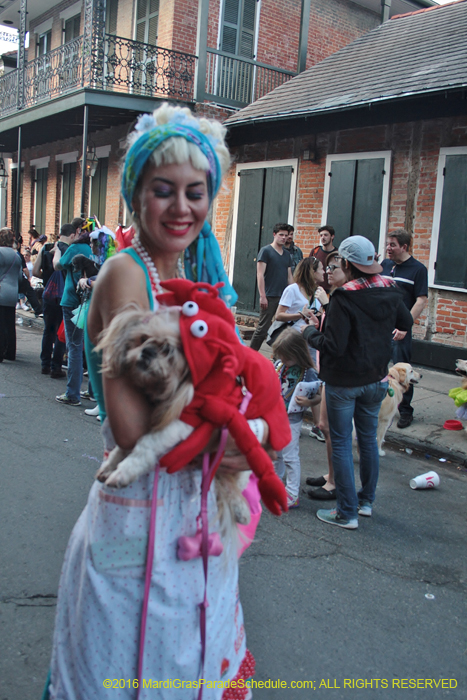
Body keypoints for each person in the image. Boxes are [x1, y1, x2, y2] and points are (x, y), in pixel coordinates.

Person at [46, 103, 288, 700]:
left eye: (195, 192)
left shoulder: (202, 279)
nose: (182, 207)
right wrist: (230, 429)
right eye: (163, 190)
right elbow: (131, 431)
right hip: (136, 520)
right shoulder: (126, 275)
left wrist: (243, 432)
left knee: (198, 662)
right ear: (136, 194)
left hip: (197, 518)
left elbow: (230, 388)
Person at [303, 235, 413, 529]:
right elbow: (405, 324)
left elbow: (333, 345)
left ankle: (346, 512)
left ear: (348, 264)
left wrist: (310, 332)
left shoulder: (344, 296)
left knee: (340, 443)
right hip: (377, 378)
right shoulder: (391, 287)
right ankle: (365, 503)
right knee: (367, 442)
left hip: (345, 381)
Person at [305, 250, 346, 501]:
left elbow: (336, 340)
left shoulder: (343, 297)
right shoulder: (337, 297)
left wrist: (312, 327)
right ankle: (331, 476)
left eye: (333, 269)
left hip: (340, 375)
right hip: (328, 371)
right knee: (325, 427)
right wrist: (320, 316)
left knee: (331, 430)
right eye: (327, 268)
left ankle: (335, 483)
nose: (328, 273)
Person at [274, 256, 327, 441]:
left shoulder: (319, 292)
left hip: (310, 341)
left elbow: (317, 317)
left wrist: (316, 319)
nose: (324, 272)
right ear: (311, 271)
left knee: (313, 378)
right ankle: (280, 417)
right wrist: (299, 314)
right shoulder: (293, 289)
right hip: (293, 344)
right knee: (288, 378)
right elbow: (278, 315)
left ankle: (318, 425)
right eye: (321, 269)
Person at [381, 229, 428, 429]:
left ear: (404, 247)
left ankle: (405, 411)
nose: (388, 248)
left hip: (400, 330)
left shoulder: (418, 269)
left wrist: (405, 325)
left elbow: (421, 300)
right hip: (380, 328)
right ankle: (382, 404)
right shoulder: (385, 265)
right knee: (379, 369)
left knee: (402, 370)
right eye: (387, 244)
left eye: (392, 245)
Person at [272, 328, 321, 509]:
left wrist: (308, 401)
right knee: (276, 454)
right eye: (281, 357)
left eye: (287, 357)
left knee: (290, 456)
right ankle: (276, 484)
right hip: (275, 417)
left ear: (297, 354)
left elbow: (318, 396)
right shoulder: (279, 365)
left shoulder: (308, 372)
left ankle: (292, 493)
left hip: (292, 420)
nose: (284, 361)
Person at [53, 225, 93, 406]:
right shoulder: (100, 250)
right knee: (93, 346)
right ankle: (93, 392)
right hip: (94, 301)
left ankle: (72, 394)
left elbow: (57, 266)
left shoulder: (75, 248)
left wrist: (56, 251)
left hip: (73, 300)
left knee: (74, 347)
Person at [33, 225, 73, 378]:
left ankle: (45, 364)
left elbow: (36, 271)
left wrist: (47, 278)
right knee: (61, 333)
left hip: (49, 295)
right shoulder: (70, 251)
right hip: (65, 296)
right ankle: (56, 366)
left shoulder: (46, 248)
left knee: (48, 331)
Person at [249, 223, 294, 352]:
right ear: (274, 234)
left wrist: (295, 293)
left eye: (286, 235)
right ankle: (250, 356)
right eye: (281, 235)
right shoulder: (266, 251)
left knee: (282, 329)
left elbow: (289, 276)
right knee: (262, 329)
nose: (283, 238)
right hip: (269, 296)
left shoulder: (287, 255)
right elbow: (260, 274)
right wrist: (262, 296)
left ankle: (277, 358)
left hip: (283, 297)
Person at [0, 228, 23, 362]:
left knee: (0, 324)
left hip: (1, 290)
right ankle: (10, 352)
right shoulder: (17, 255)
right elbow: (20, 277)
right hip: (13, 291)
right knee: (10, 324)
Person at [309, 225, 338, 292]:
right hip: (316, 289)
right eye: (321, 235)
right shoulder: (315, 251)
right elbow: (309, 269)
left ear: (332, 236)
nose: (323, 238)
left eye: (325, 235)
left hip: (331, 290)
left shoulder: (337, 254)